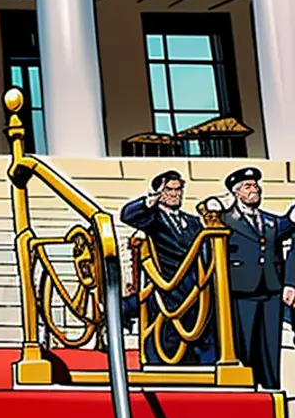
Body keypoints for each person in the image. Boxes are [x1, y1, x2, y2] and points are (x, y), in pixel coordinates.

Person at [119, 170, 212, 365]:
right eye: (170, 190)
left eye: (179, 189)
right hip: (168, 288)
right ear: (159, 192)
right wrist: (151, 200)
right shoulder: (153, 219)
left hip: (196, 289)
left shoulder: (194, 222)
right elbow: (127, 215)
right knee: (165, 340)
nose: (176, 194)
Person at [222, 166, 295, 390]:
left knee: (270, 344)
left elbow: (289, 223)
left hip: (270, 288)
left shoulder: (271, 221)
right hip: (242, 291)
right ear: (237, 193)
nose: (254, 190)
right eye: (248, 186)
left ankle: (272, 387)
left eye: (255, 185)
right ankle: (249, 388)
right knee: (246, 344)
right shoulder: (225, 220)